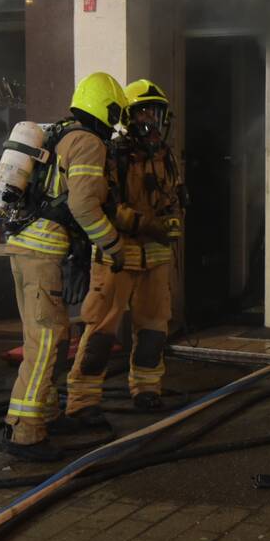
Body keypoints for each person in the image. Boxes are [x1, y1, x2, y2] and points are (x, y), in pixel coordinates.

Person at [1, 72, 128, 462]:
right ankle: (24, 432)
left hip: (27, 248)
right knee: (45, 341)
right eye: (116, 115)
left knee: (50, 338)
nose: (116, 124)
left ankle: (45, 415)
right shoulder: (88, 143)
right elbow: (84, 206)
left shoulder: (60, 133)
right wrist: (113, 244)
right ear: (106, 109)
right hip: (41, 253)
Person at [63, 79, 183, 424]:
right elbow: (108, 206)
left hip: (156, 256)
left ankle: (147, 389)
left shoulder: (166, 157)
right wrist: (146, 224)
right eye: (143, 112)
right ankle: (82, 402)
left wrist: (173, 222)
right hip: (117, 255)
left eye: (155, 112)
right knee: (101, 331)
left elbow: (173, 198)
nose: (150, 119)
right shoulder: (113, 154)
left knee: (154, 330)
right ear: (128, 117)